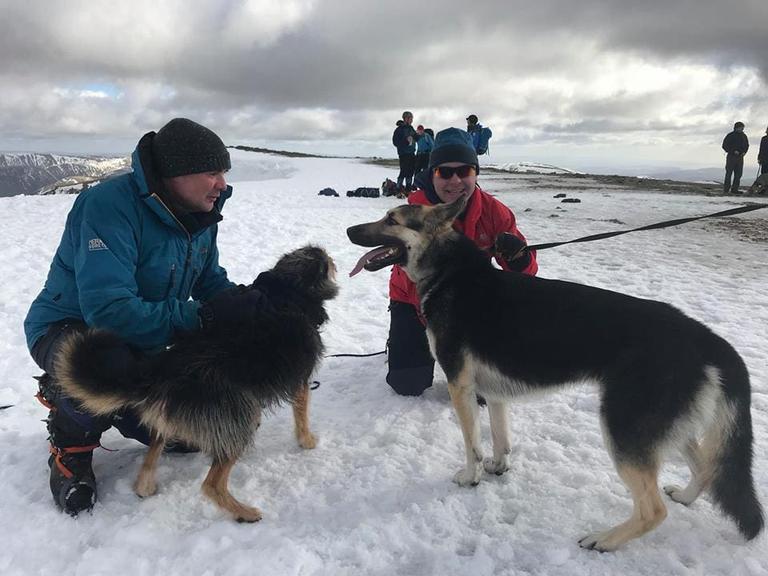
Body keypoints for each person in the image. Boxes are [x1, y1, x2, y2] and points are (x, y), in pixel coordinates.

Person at [24, 118, 265, 516]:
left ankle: (115, 407)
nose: (221, 183)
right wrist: (202, 318)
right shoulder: (108, 206)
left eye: (223, 172)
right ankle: (71, 446)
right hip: (68, 330)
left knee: (183, 431)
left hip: (143, 333)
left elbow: (209, 280)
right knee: (106, 369)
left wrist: (248, 309)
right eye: (212, 172)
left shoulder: (199, 212)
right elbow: (108, 311)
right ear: (175, 174)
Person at [386, 128, 538, 396]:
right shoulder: (412, 212)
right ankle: (407, 342)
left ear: (475, 173)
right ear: (432, 174)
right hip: (415, 303)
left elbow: (526, 272)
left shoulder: (494, 212)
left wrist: (519, 256)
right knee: (406, 383)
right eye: (444, 172)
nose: (455, 180)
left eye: (464, 171)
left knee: (484, 392)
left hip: (473, 310)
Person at [392, 111, 417, 192]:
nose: (411, 120)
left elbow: (415, 138)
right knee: (404, 170)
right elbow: (395, 142)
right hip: (403, 153)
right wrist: (405, 142)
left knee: (410, 171)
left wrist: (419, 136)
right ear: (405, 118)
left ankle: (408, 188)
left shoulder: (411, 128)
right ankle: (398, 188)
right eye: (410, 118)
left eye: (412, 118)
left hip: (412, 152)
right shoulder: (399, 129)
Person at [722, 121, 749, 194]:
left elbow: (747, 145)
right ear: (736, 127)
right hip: (731, 157)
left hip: (740, 157)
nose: (742, 129)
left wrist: (744, 152)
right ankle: (726, 189)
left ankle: (734, 189)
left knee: (738, 174)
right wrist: (733, 151)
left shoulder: (744, 136)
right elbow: (724, 146)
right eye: (741, 127)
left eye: (742, 128)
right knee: (729, 173)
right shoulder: (730, 135)